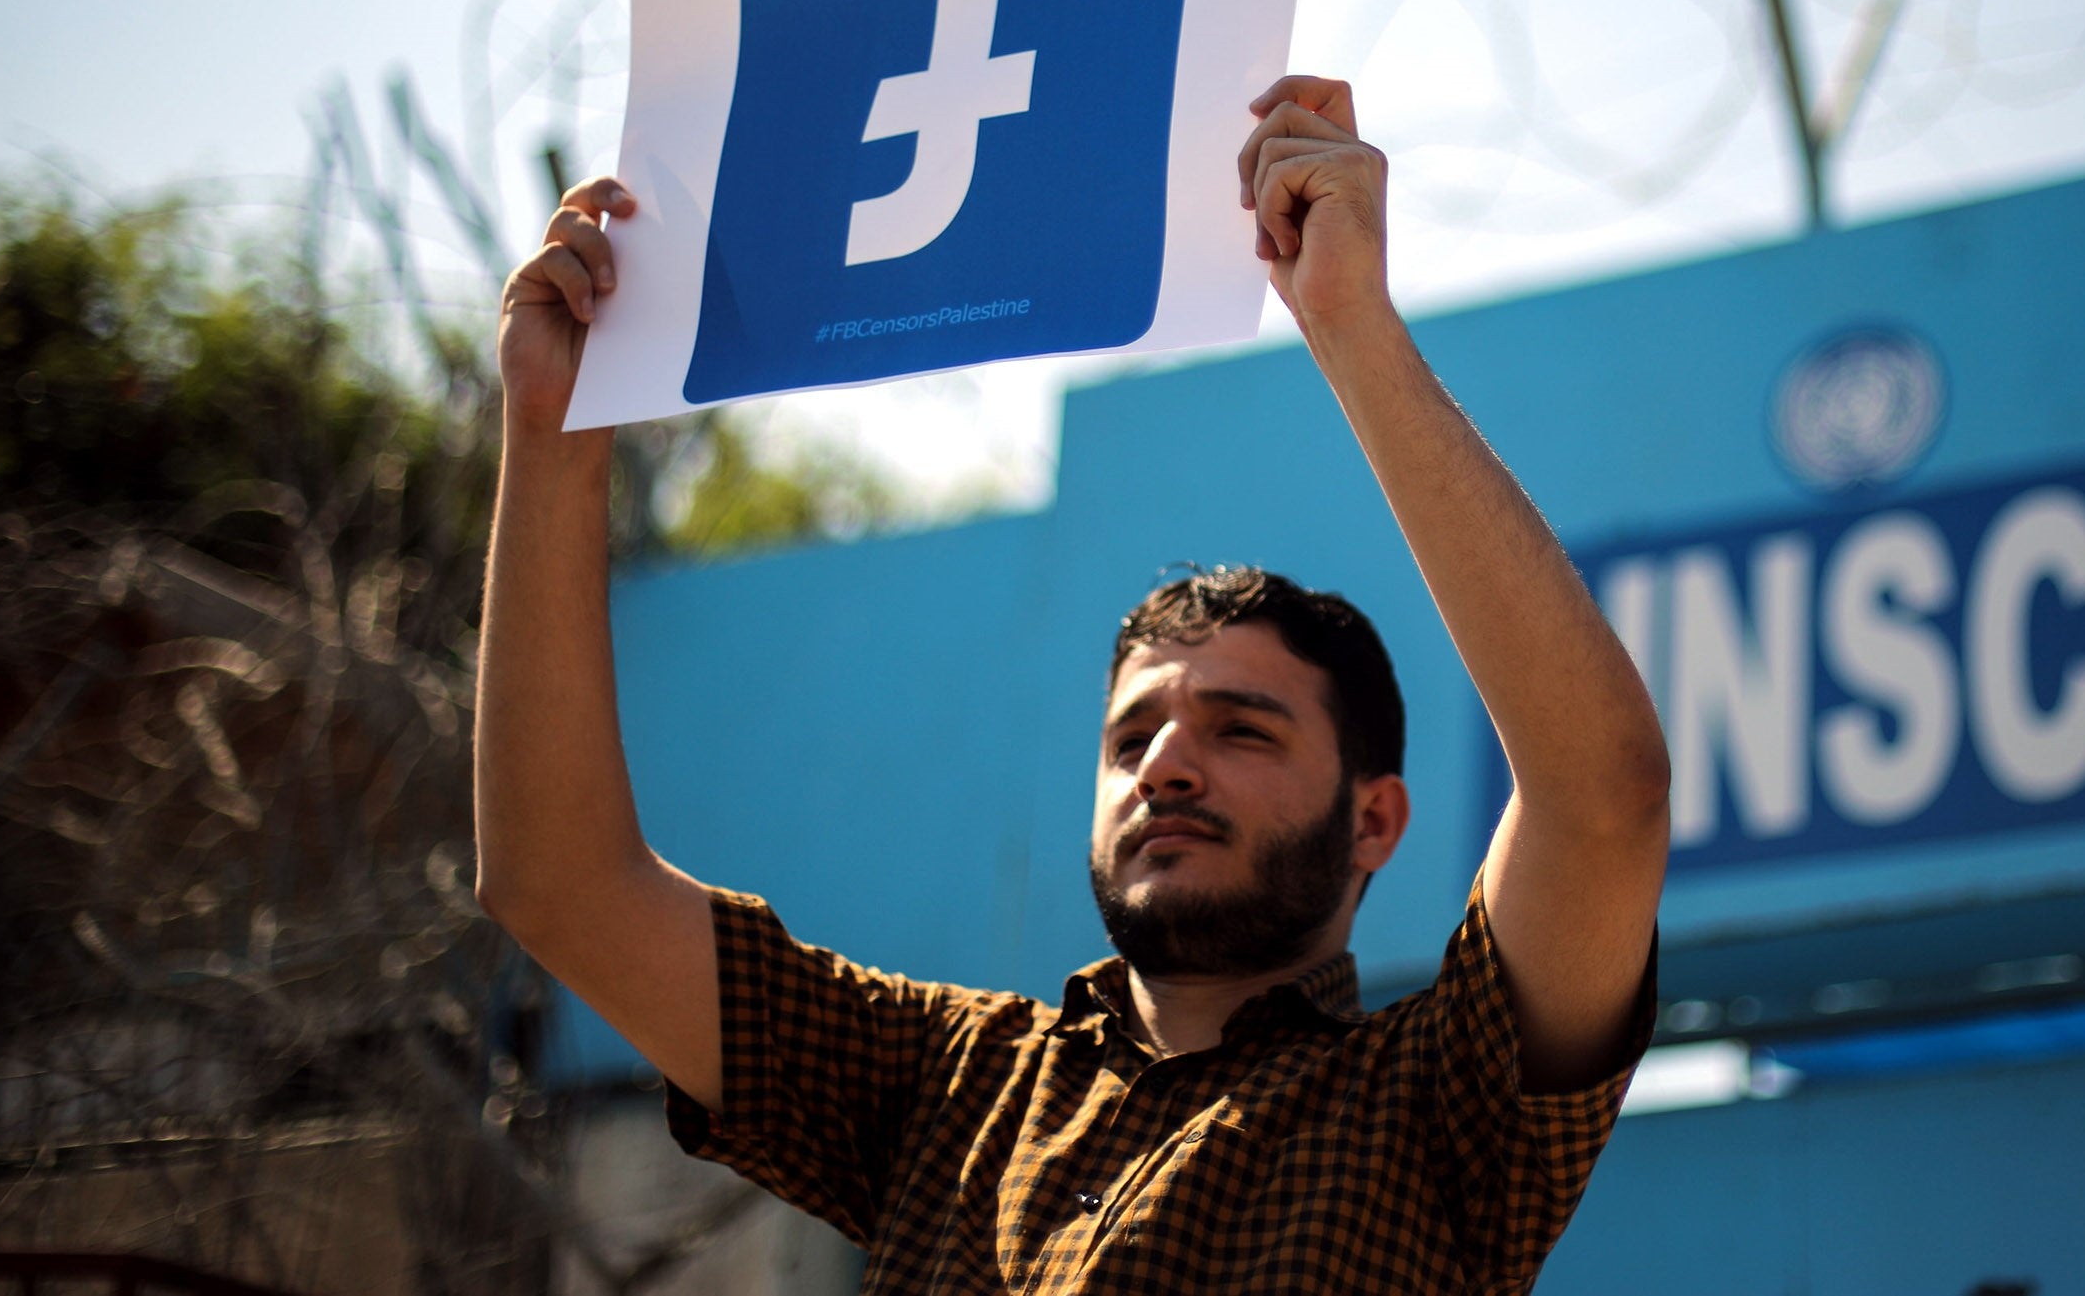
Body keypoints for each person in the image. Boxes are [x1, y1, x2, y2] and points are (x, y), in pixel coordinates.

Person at [473, 74, 1672, 1293]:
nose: (1165, 763)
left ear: (1374, 816)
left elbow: (1604, 794)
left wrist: (1350, 321)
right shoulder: (947, 1080)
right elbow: (560, 886)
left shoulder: (1440, 1106)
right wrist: (551, 437)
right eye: (1131, 734)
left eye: (1242, 728)